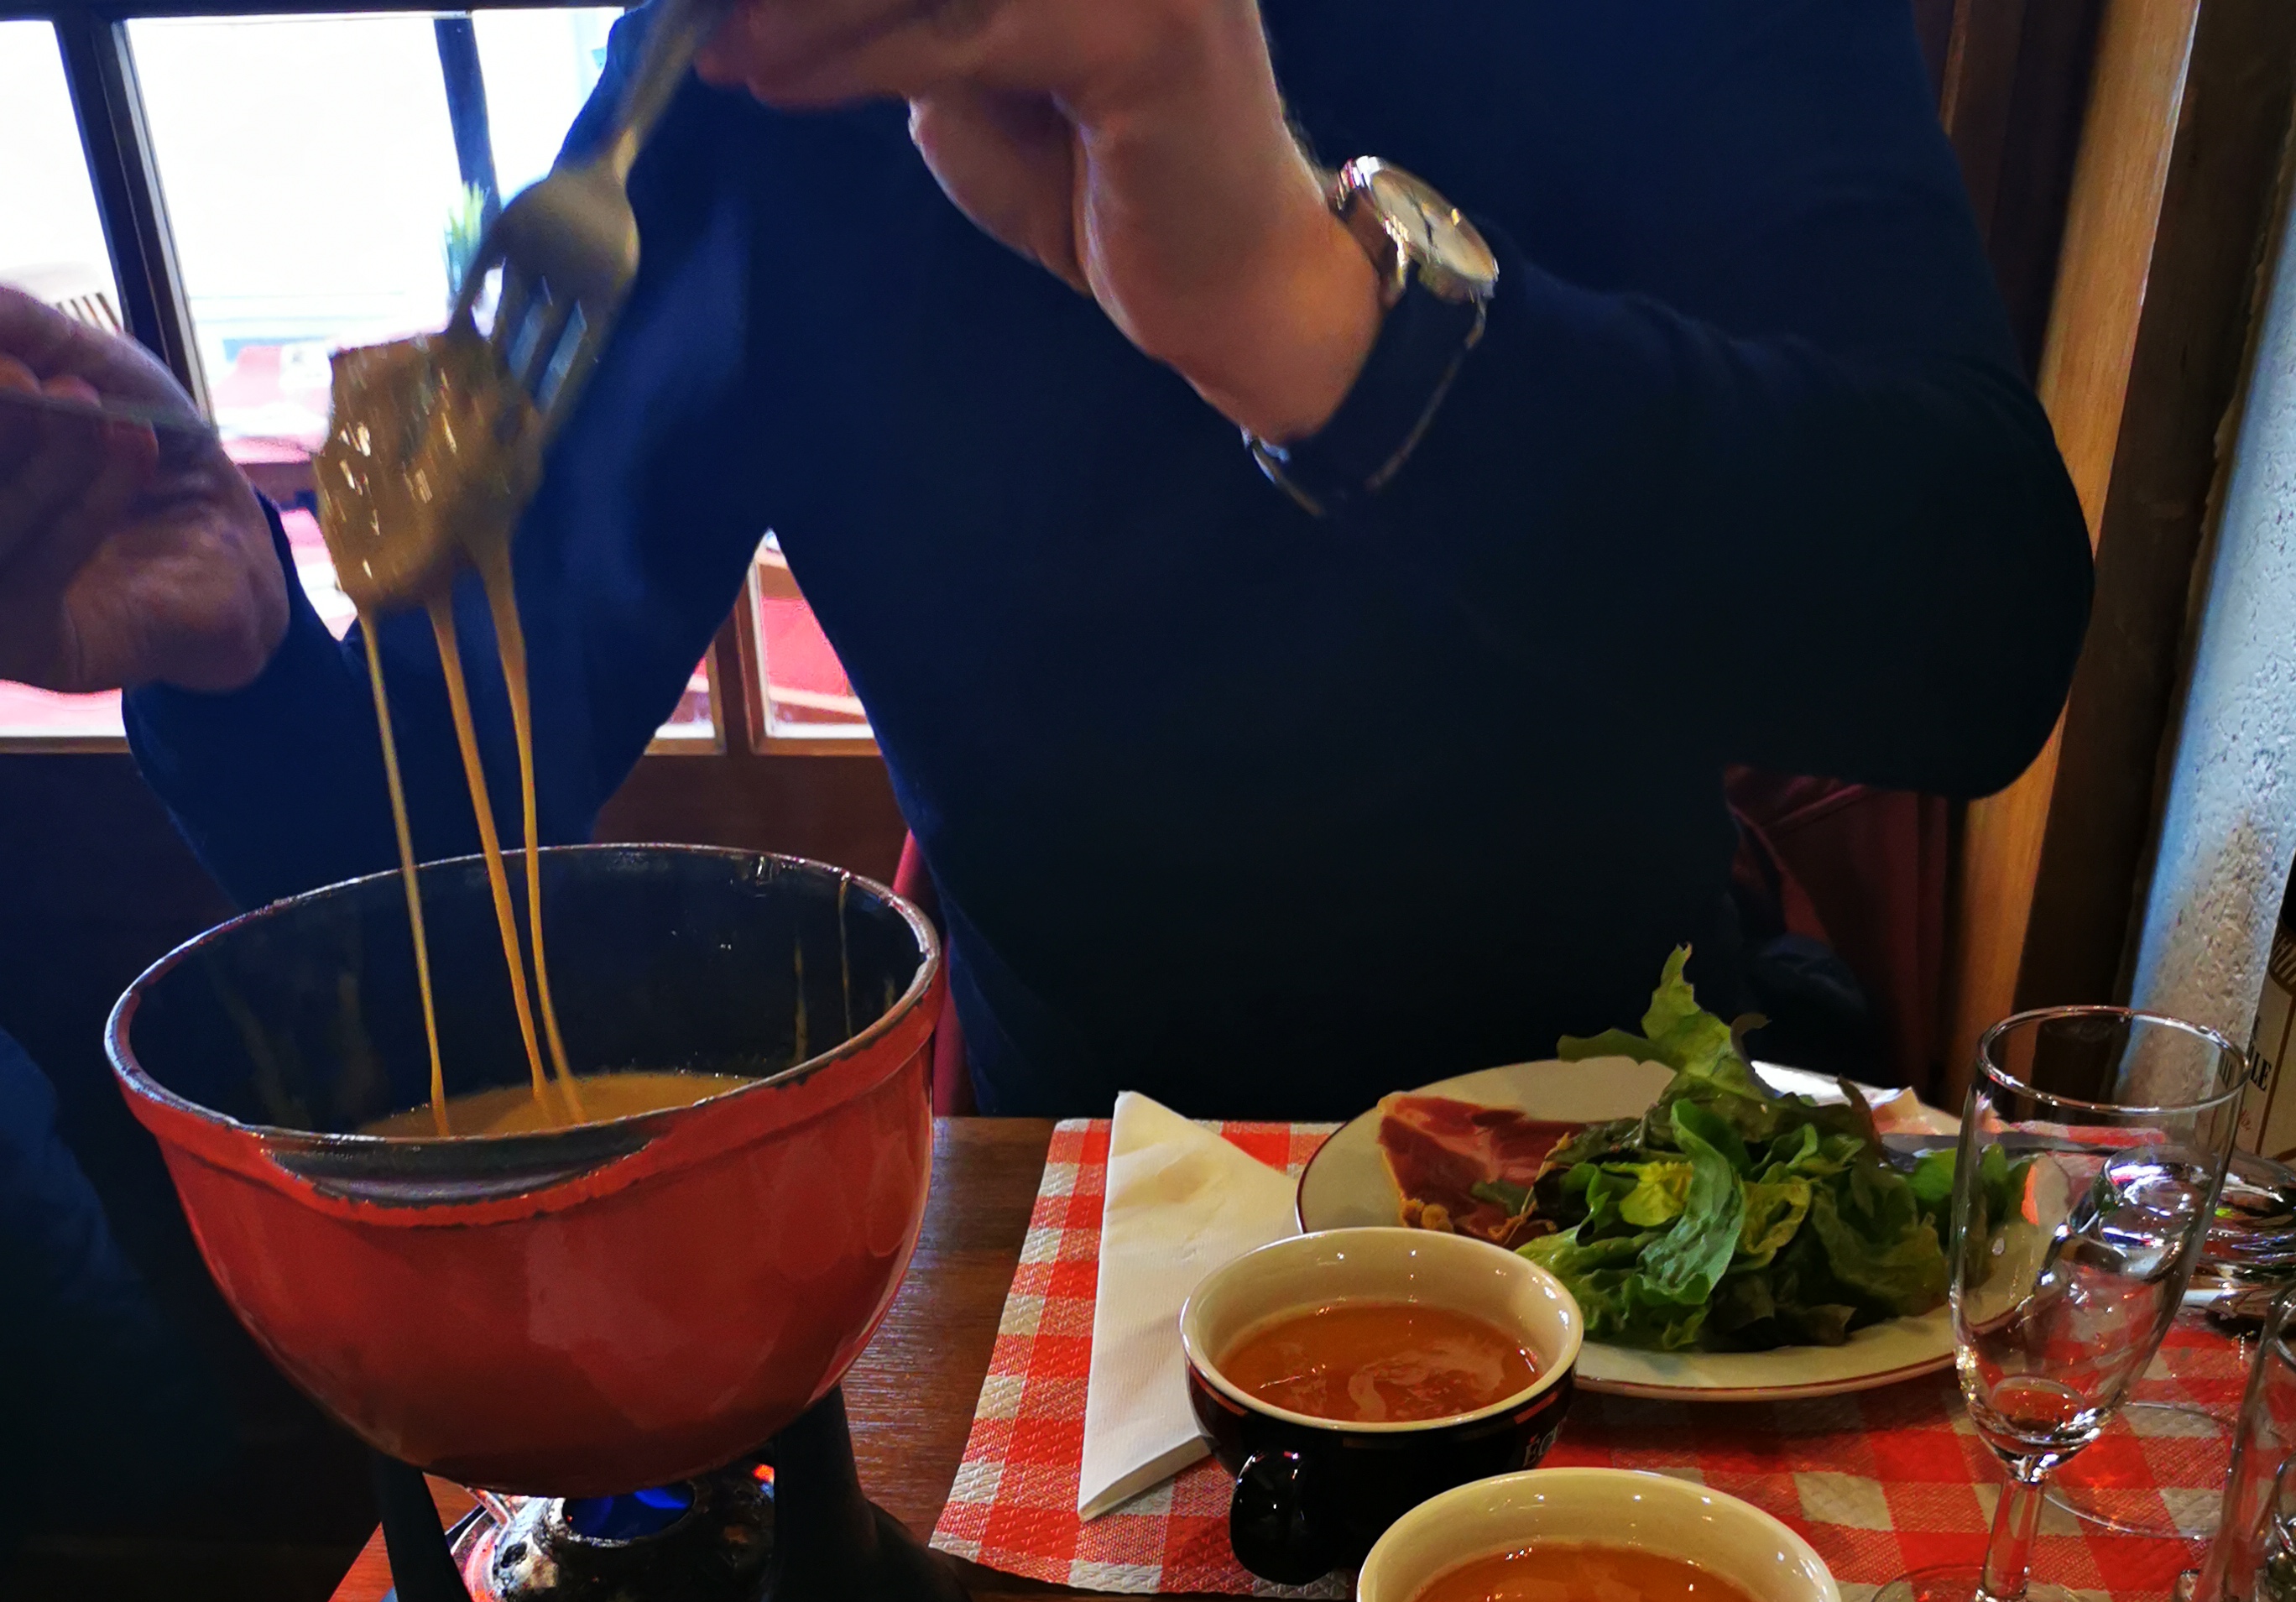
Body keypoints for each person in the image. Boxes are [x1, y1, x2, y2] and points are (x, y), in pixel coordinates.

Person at [2, 0, 2090, 1115]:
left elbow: (1978, 624)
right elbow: (421, 843)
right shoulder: (726, 103)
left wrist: (1318, 321)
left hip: (1639, 1138)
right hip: (1073, 1217)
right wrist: (230, 644)